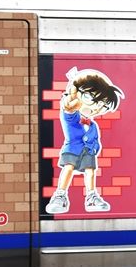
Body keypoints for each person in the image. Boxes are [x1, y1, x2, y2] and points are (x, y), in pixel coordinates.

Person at [45, 67, 124, 215]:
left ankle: (91, 196)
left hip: (88, 152)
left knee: (90, 171)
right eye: (91, 98)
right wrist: (70, 103)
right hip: (72, 149)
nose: (97, 107)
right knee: (68, 168)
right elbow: (68, 111)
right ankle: (60, 195)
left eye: (103, 105)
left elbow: (95, 139)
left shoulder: (92, 125)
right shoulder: (73, 117)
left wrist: (94, 148)